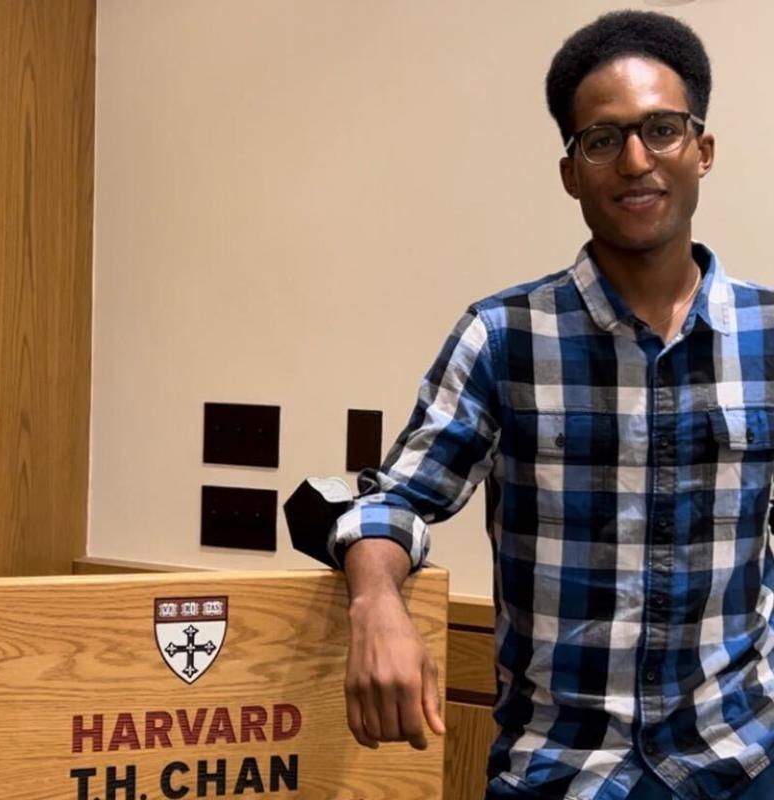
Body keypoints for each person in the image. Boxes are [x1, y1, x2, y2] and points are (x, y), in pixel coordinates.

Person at [328, 10, 774, 800]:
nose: (636, 161)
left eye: (661, 130)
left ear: (703, 151)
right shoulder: (504, 337)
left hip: (740, 767)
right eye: (603, 140)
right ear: (571, 171)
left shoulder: (769, 337)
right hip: (560, 774)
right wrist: (376, 601)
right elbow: (392, 500)